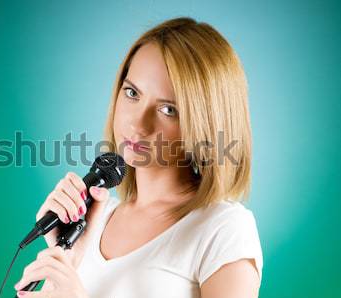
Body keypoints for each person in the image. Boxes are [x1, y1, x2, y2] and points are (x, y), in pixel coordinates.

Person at [14, 17, 263, 298]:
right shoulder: (95, 221)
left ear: (207, 123)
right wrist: (65, 255)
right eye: (132, 93)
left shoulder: (224, 229)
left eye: (169, 110)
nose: (138, 124)